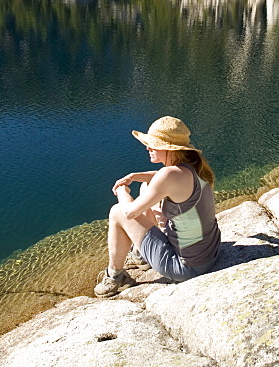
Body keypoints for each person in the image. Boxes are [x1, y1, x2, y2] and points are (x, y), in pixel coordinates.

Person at [94, 116, 221, 297]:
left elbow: (129, 212)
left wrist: (122, 190)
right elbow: (162, 178)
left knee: (117, 212)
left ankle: (115, 277)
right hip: (210, 253)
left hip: (186, 267)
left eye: (153, 144)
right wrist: (135, 175)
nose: (148, 148)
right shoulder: (194, 165)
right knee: (147, 187)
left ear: (168, 148)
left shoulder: (169, 175)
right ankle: (140, 255)